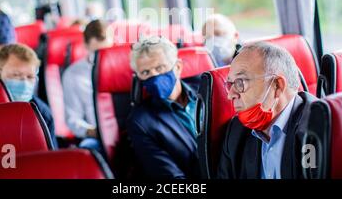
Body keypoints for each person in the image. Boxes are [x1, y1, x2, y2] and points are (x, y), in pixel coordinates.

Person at [217, 41, 317, 179]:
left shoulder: (317, 129)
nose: (230, 94)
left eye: (240, 82)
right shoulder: (236, 131)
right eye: (230, 84)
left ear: (277, 85)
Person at [127, 36, 201, 179]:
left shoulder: (208, 90)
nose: (154, 77)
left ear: (178, 67)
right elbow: (170, 177)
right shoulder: (141, 122)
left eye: (160, 68)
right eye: (145, 72)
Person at [0, 44, 58, 149]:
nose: (24, 82)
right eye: (16, 75)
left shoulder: (42, 113)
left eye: (30, 77)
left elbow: (51, 156)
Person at [62, 19, 112, 150]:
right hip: (96, 135)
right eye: (97, 53)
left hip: (128, 131)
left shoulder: (126, 68)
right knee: (88, 148)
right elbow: (73, 119)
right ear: (85, 46)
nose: (102, 58)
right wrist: (92, 131)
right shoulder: (73, 74)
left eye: (105, 52)